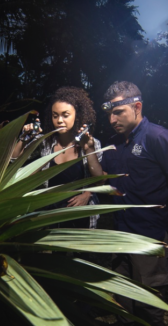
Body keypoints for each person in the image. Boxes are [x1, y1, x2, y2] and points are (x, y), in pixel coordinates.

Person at [99, 81, 168, 326]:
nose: (111, 119)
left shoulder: (159, 137)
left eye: (118, 112)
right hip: (121, 230)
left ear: (137, 107)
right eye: (109, 113)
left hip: (150, 234)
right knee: (122, 285)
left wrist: (165, 208)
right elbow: (107, 181)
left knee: (149, 293)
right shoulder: (115, 143)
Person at [11, 86, 103, 228]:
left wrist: (87, 194)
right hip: (51, 215)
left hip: (80, 215)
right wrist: (23, 139)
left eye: (65, 115)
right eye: (55, 115)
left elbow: (99, 180)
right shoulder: (45, 143)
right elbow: (14, 162)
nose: (59, 120)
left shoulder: (92, 143)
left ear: (77, 115)